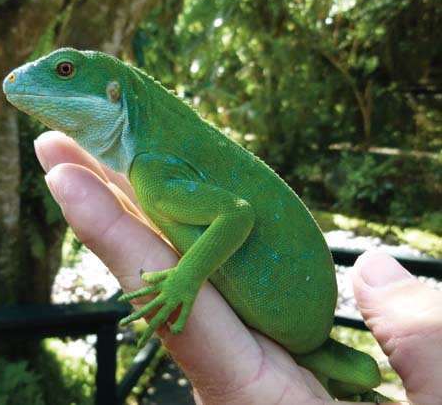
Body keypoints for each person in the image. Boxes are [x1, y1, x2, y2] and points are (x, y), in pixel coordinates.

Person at [35, 131, 442, 405]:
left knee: (364, 376)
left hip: (305, 332)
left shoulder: (153, 173)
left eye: (65, 71)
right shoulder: (149, 169)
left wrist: (184, 281)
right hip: (298, 340)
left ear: (112, 93)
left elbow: (236, 214)